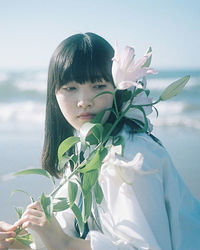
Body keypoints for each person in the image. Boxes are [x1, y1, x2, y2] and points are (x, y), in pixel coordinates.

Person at [1, 32, 200, 250]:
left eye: (98, 85)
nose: (84, 101)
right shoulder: (82, 152)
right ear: (54, 95)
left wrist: (63, 243)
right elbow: (73, 234)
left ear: (118, 89)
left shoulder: (131, 157)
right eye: (70, 88)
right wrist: (16, 244)